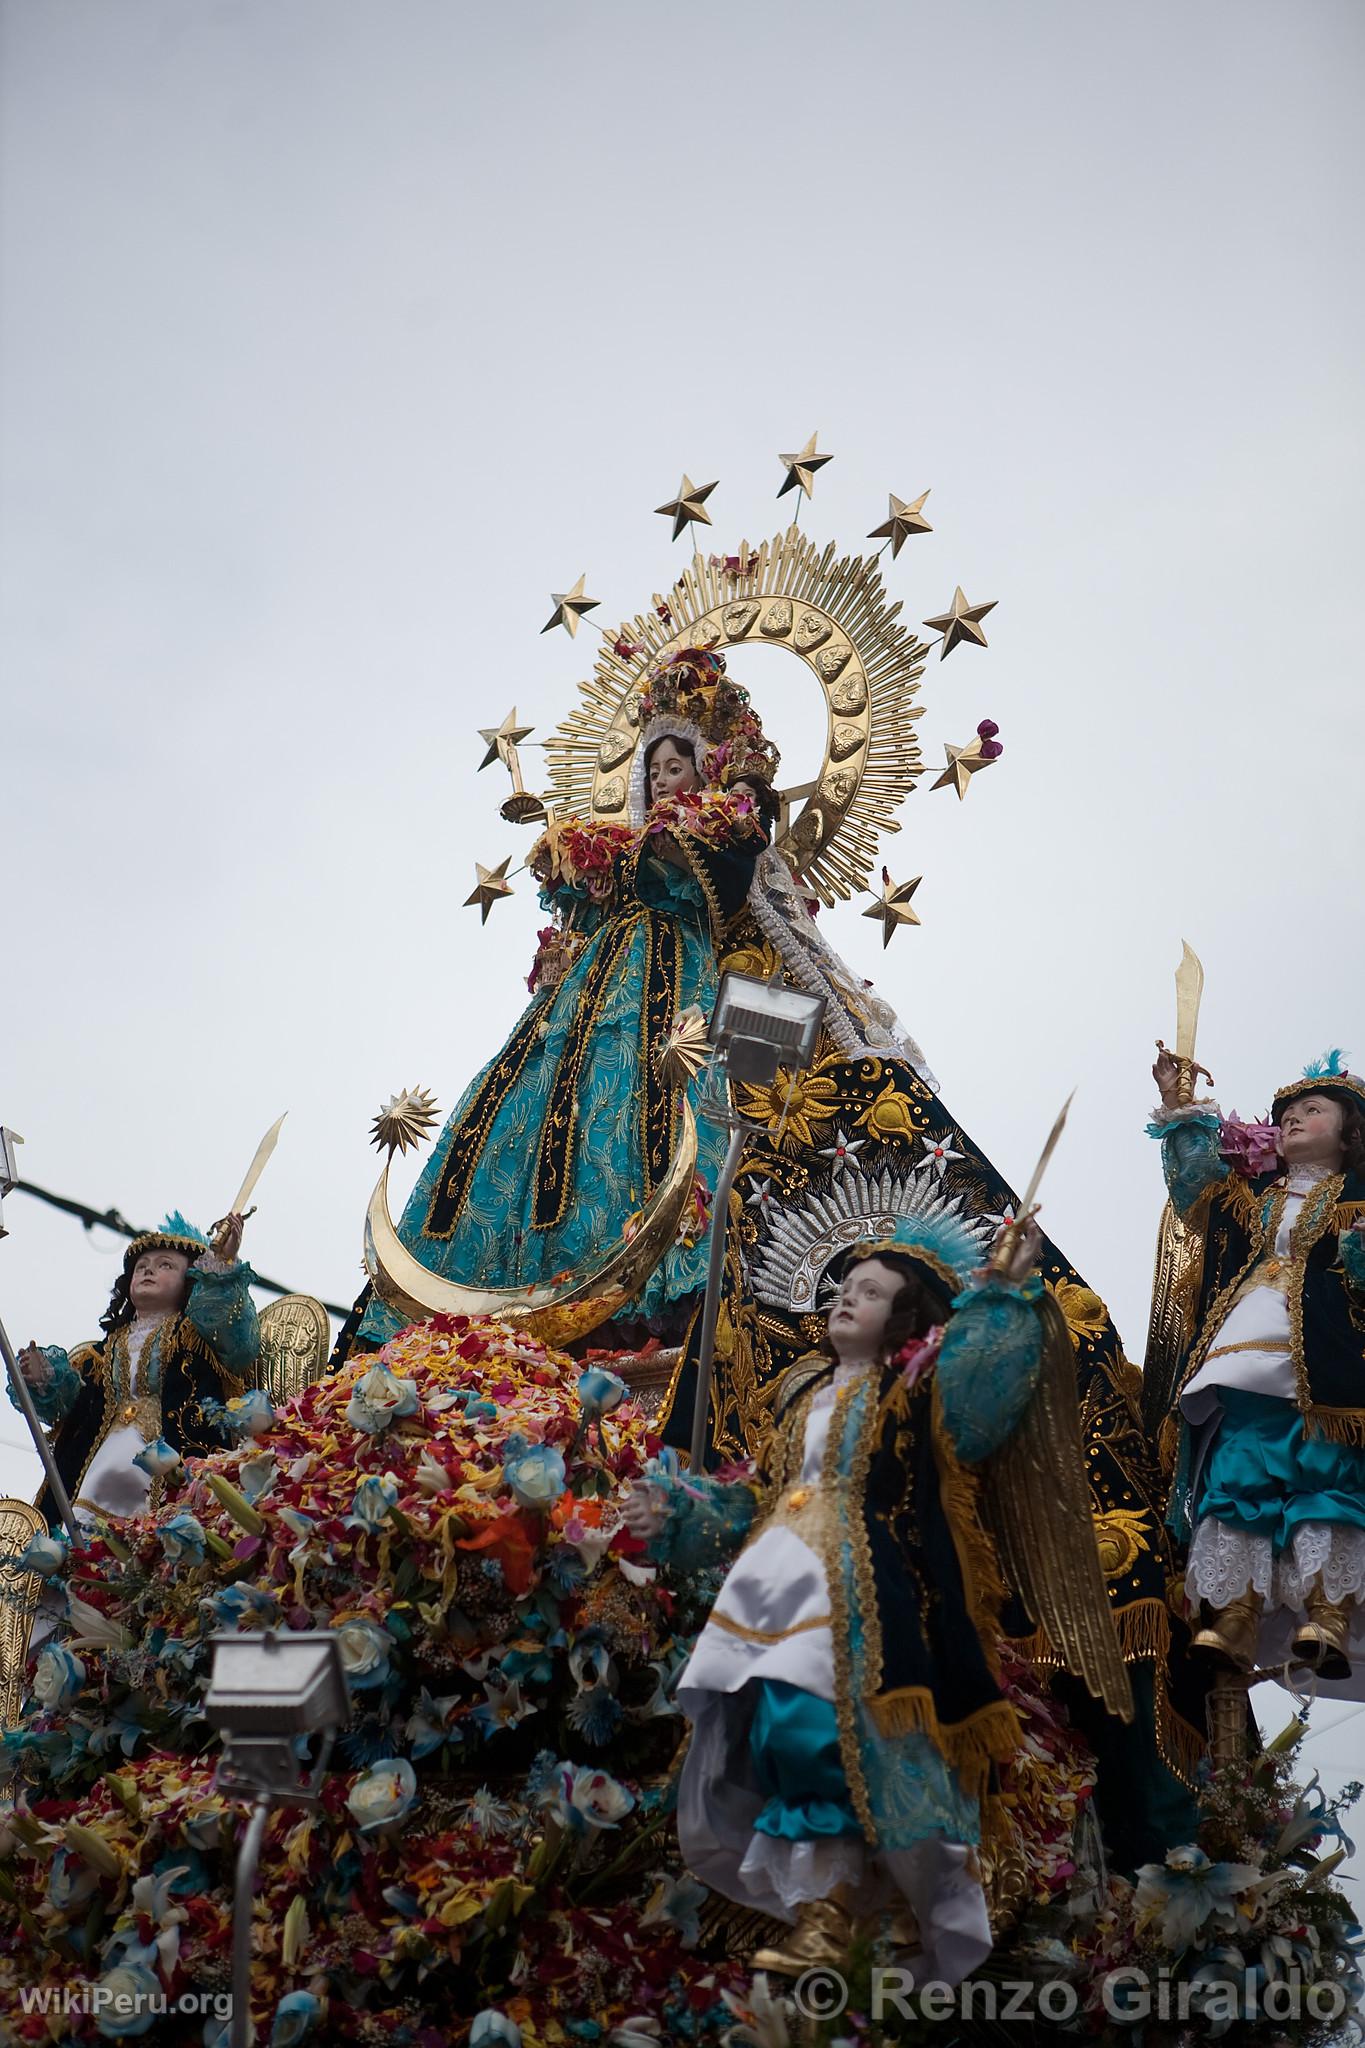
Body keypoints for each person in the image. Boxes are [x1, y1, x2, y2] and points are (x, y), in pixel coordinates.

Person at [624, 1209, 1049, 1986]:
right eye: (846, 1287)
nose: (847, 1299)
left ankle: (837, 1912)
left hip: (859, 1593)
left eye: (872, 1292)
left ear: (906, 1319)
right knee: (775, 1736)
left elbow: (979, 1394)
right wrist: (678, 1515)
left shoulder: (914, 1394)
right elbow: (755, 1497)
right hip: (770, 1588)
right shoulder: (801, 1395)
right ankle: (835, 1907)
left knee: (816, 1734)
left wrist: (1000, 1296)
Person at [352, 648, 775, 1349]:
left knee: (644, 1100)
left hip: (666, 972)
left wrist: (664, 843)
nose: (662, 781)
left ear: (705, 769)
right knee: (545, 1101)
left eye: (676, 768)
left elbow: (723, 878)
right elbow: (584, 905)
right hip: (590, 988)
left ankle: (648, 1270)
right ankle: (512, 1269)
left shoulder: (714, 828)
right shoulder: (628, 844)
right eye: (653, 771)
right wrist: (571, 865)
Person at [1152, 1048, 1365, 1682]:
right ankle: (1236, 1614)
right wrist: (1177, 1101)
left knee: (1323, 1471)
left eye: (1313, 1109)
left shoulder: (1358, 1200)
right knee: (1237, 1470)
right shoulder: (1252, 1197)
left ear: (1350, 1133)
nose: (1293, 1118)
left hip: (1327, 1358)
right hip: (1242, 1350)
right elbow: (1195, 1186)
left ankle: (1328, 1611)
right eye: (1287, 1112)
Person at [12, 1212, 258, 1527]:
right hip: (100, 1459)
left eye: (165, 1265)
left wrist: (221, 1265)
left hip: (169, 1455)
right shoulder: (104, 1350)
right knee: (84, 1528)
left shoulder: (196, 1333)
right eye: (142, 1267)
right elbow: (76, 1404)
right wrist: (44, 1378)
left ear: (191, 1281)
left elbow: (233, 1335)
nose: (149, 1271)